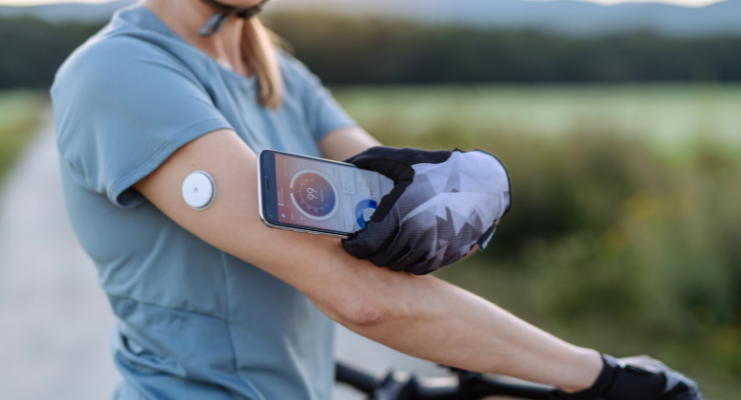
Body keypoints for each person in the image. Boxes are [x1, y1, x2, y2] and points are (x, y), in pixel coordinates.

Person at [51, 0, 702, 399]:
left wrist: (457, 194)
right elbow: (360, 296)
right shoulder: (120, 75)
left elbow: (392, 194)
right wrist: (597, 374)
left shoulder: (277, 74)